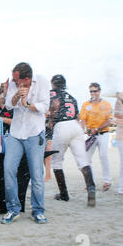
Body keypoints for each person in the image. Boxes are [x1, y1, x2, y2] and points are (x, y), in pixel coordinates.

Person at [1, 62, 49, 225]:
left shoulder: (42, 81)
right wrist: (15, 96)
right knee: (8, 169)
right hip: (15, 133)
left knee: (36, 174)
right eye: (14, 80)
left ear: (26, 79)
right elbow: (8, 105)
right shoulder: (15, 84)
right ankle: (13, 208)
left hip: (35, 133)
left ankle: (38, 210)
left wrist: (27, 102)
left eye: (17, 81)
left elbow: (45, 106)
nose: (14, 83)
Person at [48, 74, 96, 207]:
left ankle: (64, 194)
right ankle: (91, 188)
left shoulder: (50, 93)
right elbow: (77, 116)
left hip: (61, 126)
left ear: (53, 84)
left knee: (56, 162)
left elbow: (50, 109)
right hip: (75, 126)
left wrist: (50, 119)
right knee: (83, 160)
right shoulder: (72, 97)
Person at [79, 82, 112, 191]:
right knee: (86, 159)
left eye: (95, 91)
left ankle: (107, 181)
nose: (93, 93)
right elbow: (82, 119)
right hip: (91, 135)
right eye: (91, 91)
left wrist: (97, 129)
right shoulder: (85, 105)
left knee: (103, 156)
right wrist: (85, 129)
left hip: (103, 133)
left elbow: (109, 121)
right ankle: (90, 182)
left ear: (99, 91)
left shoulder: (106, 104)